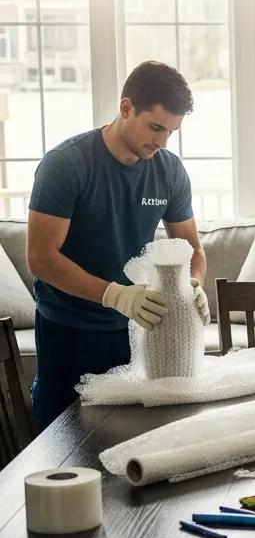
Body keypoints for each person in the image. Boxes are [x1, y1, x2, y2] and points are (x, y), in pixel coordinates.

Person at [26, 60, 209, 429]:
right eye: (156, 127)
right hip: (69, 328)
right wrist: (115, 295)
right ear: (126, 108)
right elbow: (41, 259)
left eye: (171, 132)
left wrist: (192, 286)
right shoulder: (66, 164)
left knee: (132, 435)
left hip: (136, 327)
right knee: (62, 439)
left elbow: (192, 248)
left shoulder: (169, 171)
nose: (162, 142)